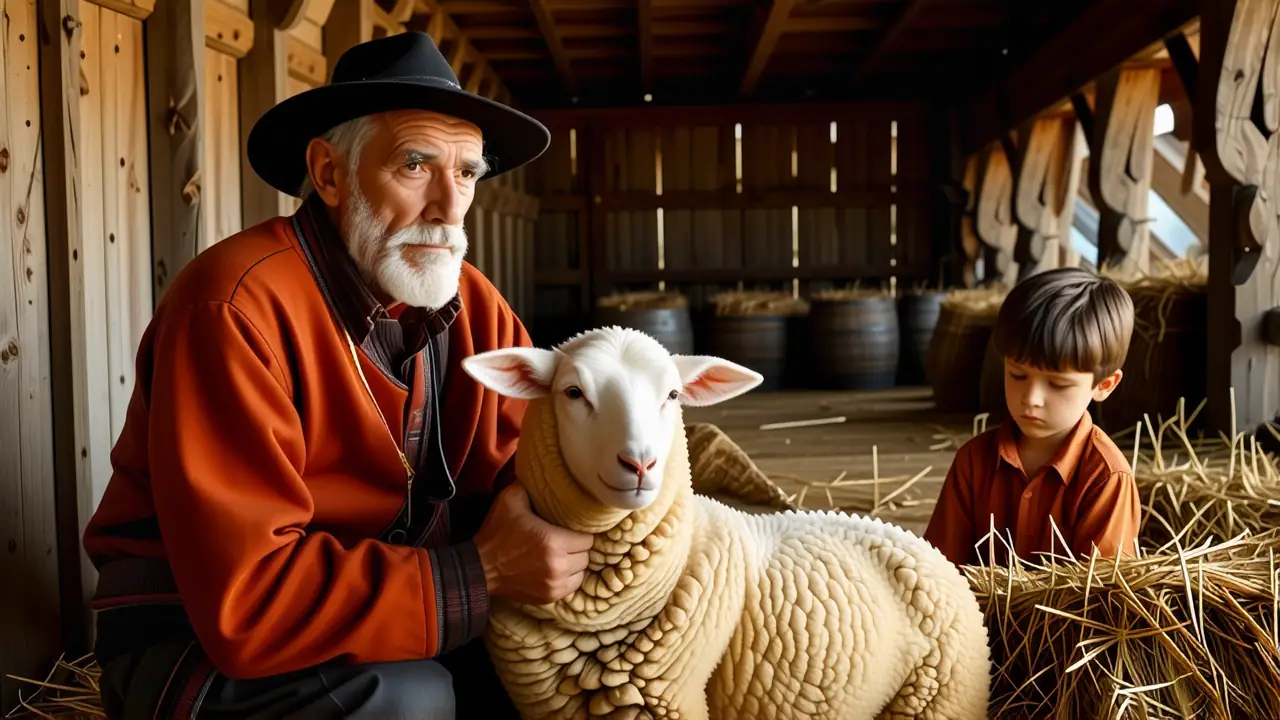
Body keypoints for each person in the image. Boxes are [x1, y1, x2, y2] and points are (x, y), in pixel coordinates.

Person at [81, 32, 593, 719]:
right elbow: (247, 605)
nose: (447, 206)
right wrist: (484, 571)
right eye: (415, 165)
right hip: (193, 640)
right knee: (410, 700)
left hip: (376, 615)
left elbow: (533, 472)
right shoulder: (235, 307)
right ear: (329, 174)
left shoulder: (475, 306)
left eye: (467, 172)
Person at [923, 267, 1141, 567]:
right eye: (1017, 374)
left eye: (1057, 384)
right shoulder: (972, 463)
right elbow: (938, 569)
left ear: (1104, 385)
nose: (1031, 398)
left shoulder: (1106, 479)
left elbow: (1100, 596)